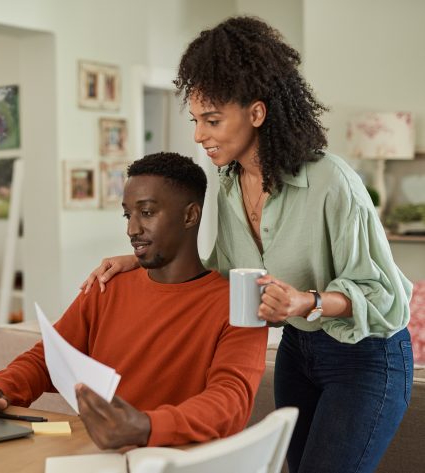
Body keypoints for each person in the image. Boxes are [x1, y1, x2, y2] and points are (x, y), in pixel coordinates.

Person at [81, 16, 413, 473]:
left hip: (366, 356)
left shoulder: (331, 182)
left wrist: (305, 300)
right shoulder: (229, 181)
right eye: (196, 120)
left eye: (212, 120)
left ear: (256, 113)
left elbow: (386, 296)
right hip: (298, 352)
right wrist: (140, 261)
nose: (199, 135)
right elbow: (224, 266)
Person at [0, 152, 267, 450]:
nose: (132, 228)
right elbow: (47, 359)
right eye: (127, 214)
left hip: (177, 460)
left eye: (147, 212)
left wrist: (146, 426)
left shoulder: (238, 304)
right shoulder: (107, 287)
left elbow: (230, 402)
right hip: (97, 455)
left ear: (189, 216)